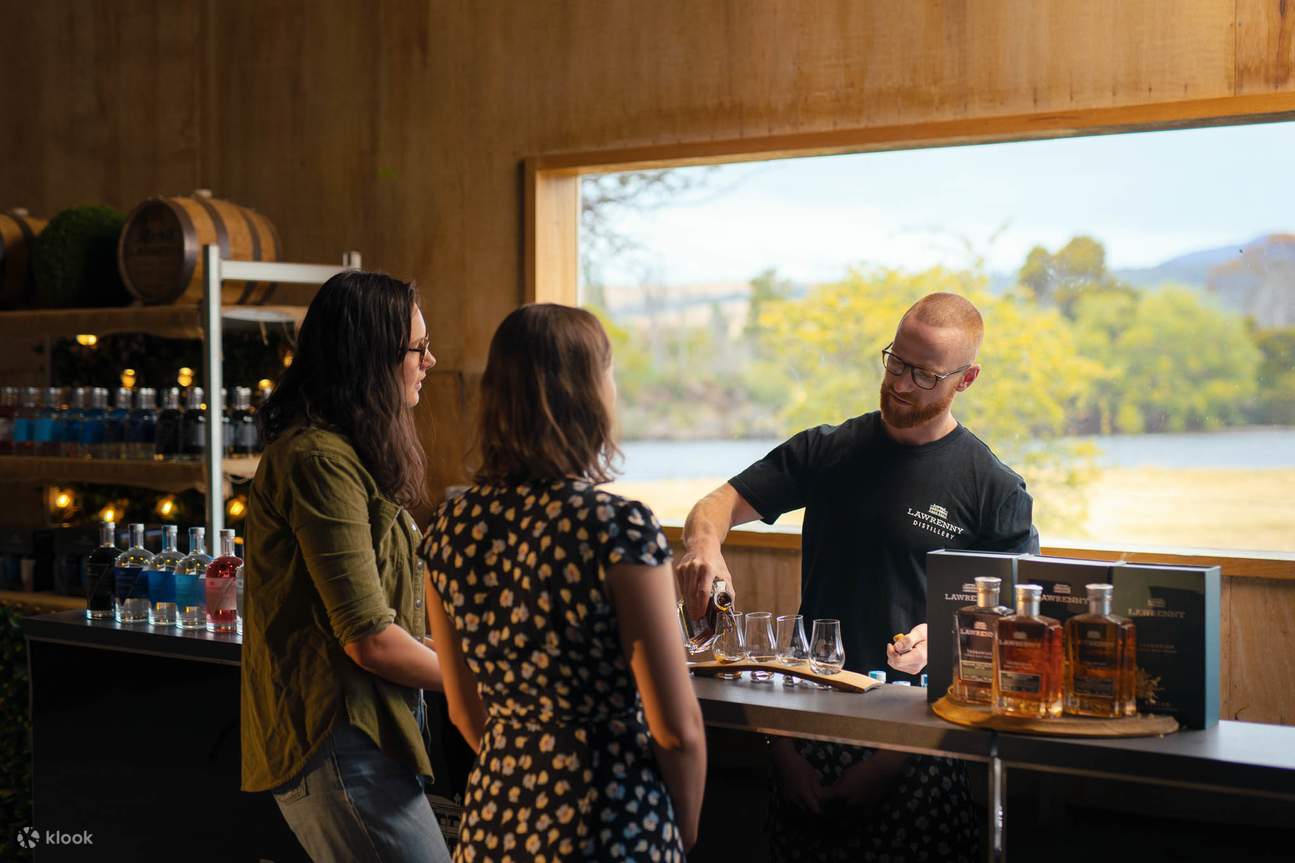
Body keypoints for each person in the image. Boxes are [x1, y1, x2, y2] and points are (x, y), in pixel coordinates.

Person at [679, 292, 1038, 862]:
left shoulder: (992, 489)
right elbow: (717, 504)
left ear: (965, 380)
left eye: (924, 375)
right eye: (896, 361)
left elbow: (1015, 619)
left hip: (921, 740)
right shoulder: (828, 451)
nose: (899, 383)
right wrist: (702, 547)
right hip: (802, 729)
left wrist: (946, 638)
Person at [420, 303, 706, 862]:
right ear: (590, 395)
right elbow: (677, 728)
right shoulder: (616, 527)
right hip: (608, 817)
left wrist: (526, 760)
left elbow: (463, 712)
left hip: (496, 820)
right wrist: (682, 825)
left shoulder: (451, 525)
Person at [241, 271, 451, 863]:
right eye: (418, 348)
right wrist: (491, 683)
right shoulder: (318, 460)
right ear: (369, 355)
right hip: (337, 744)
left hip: (367, 739)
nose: (430, 361)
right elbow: (372, 642)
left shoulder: (345, 455)